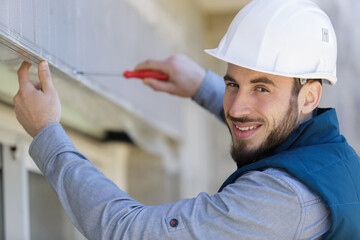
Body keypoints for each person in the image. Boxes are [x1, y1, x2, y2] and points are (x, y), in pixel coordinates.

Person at [13, 0, 360, 239]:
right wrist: (199, 84)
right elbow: (269, 129)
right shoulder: (335, 161)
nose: (237, 107)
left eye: (262, 89)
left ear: (310, 96)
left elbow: (129, 232)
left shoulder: (281, 199)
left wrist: (47, 134)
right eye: (231, 84)